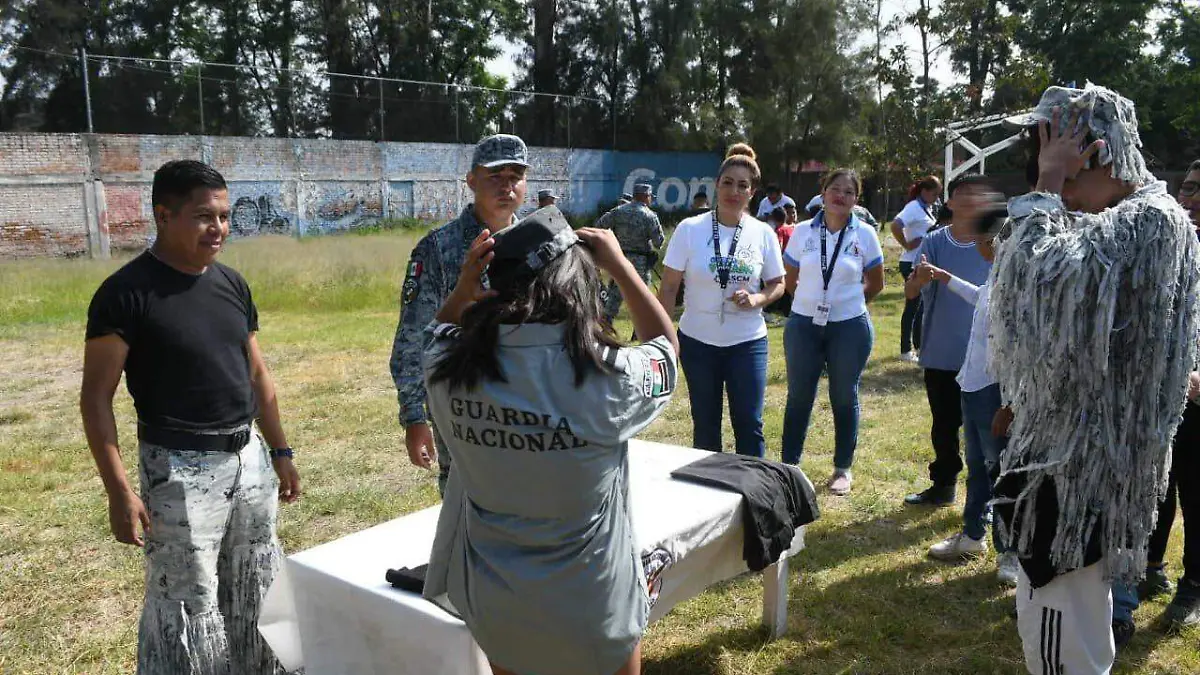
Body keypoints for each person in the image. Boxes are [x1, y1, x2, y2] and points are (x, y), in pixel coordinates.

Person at [990, 85, 1200, 675]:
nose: (1039, 169)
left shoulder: (1150, 222)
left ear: (1094, 150)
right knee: (1075, 628)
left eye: (1050, 152)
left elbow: (1040, 286)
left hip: (1078, 473)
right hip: (1077, 464)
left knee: (1062, 640)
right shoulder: (1134, 221)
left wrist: (1046, 189)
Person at [421, 208, 678, 675]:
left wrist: (463, 292)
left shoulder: (446, 371)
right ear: (577, 286)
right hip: (594, 609)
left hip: (496, 605)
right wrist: (621, 266)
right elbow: (666, 348)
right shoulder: (606, 375)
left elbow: (437, 334)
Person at [80, 159, 302, 673]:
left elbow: (258, 377)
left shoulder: (231, 283)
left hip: (249, 460)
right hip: (179, 469)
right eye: (205, 216)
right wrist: (119, 490)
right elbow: (96, 398)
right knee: (187, 602)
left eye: (224, 216)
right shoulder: (125, 294)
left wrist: (281, 451)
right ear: (164, 214)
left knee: (259, 583)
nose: (219, 229)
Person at [391, 134, 530, 495]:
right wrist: (414, 415)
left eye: (515, 176)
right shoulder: (439, 248)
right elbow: (412, 337)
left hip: (533, 398)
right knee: (464, 501)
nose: (507, 186)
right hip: (465, 403)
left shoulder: (541, 240)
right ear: (471, 181)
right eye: (495, 177)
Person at [1110, 158, 1200, 646]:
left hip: (1196, 397)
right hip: (1156, 396)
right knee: (1154, 488)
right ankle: (1148, 566)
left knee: (1195, 493)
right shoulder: (1162, 241)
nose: (1192, 197)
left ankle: (1194, 588)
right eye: (1188, 187)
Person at [916, 190, 1020, 585]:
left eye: (982, 241)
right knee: (978, 466)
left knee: (1002, 470)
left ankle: (1009, 552)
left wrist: (1009, 403)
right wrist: (947, 279)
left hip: (995, 393)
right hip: (973, 384)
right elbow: (982, 301)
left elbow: (1021, 350)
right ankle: (973, 534)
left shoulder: (1018, 284)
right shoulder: (997, 276)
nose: (978, 247)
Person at [657, 143, 785, 458]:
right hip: (697, 341)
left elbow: (778, 284)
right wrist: (662, 338)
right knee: (705, 424)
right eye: (727, 182)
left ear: (752, 192)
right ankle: (709, 495)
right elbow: (670, 287)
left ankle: (755, 496)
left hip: (747, 341)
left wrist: (757, 298)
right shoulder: (690, 229)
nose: (734, 190)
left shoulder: (762, 233)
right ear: (716, 184)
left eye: (743, 185)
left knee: (749, 424)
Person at [779, 168, 885, 496]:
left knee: (843, 394)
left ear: (856, 199)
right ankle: (789, 466)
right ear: (823, 193)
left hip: (849, 327)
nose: (841, 196)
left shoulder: (865, 234)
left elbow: (877, 283)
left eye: (848, 192)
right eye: (835, 189)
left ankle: (842, 468)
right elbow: (790, 278)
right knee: (799, 395)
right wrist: (811, 304)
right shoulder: (801, 232)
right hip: (803, 325)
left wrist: (847, 305)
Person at [901, 175, 994, 508]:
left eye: (978, 195)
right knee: (944, 425)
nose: (971, 201)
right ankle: (943, 485)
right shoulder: (935, 242)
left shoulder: (994, 243)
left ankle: (984, 500)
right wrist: (919, 279)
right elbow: (911, 292)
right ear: (949, 203)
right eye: (963, 195)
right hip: (941, 351)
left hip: (986, 355)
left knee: (985, 430)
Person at [596, 183, 666, 324]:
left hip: (620, 259)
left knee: (615, 294)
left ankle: (605, 323)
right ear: (646, 197)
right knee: (642, 296)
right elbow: (659, 242)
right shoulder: (650, 216)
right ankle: (639, 329)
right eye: (650, 197)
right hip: (640, 262)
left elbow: (599, 226)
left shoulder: (618, 211)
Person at [891, 176, 941, 363]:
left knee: (920, 307)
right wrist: (906, 244)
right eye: (934, 194)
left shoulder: (927, 208)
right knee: (913, 307)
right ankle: (906, 350)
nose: (937, 198)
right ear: (924, 192)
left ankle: (919, 347)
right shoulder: (913, 207)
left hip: (920, 262)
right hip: (910, 262)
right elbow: (895, 225)